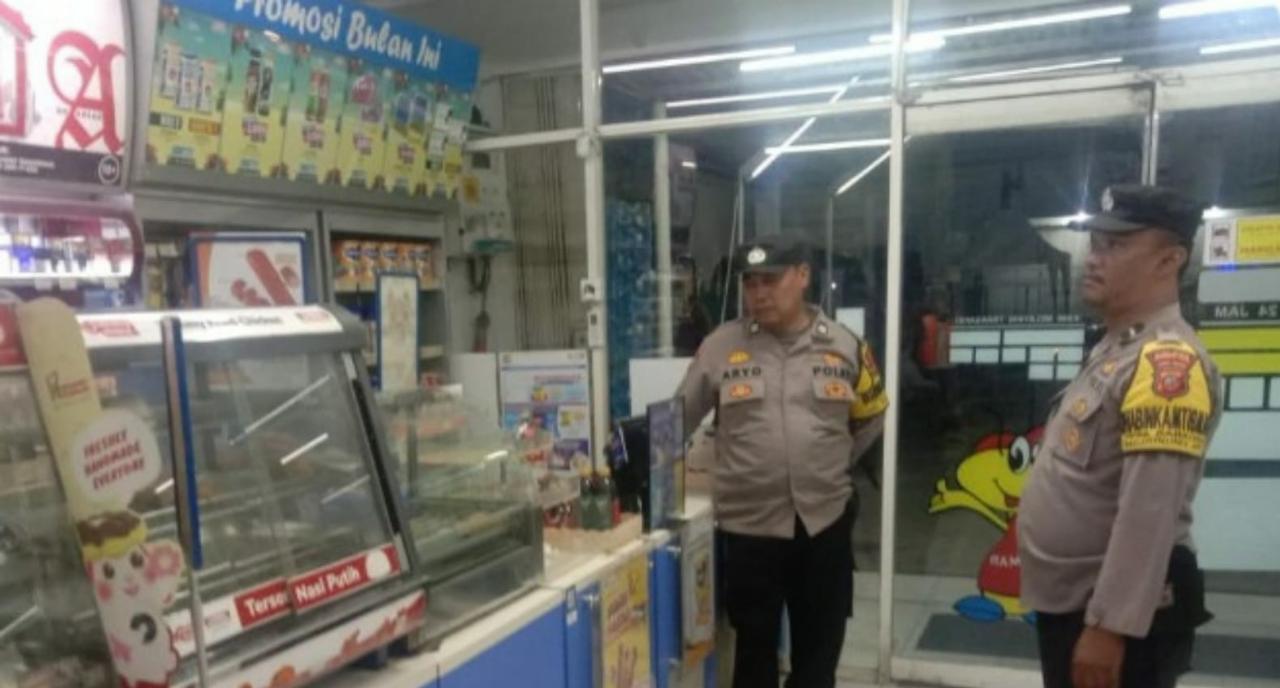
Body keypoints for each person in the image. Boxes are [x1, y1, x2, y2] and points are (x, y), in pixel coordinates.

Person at [1019, 185, 1221, 688]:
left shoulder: (1166, 363)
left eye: (1117, 245)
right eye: (1096, 243)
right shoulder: (1118, 347)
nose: (1094, 257)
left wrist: (1110, 627)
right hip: (1079, 602)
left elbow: (1149, 511)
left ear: (1169, 260)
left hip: (1113, 617)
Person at [676, 235, 888, 688]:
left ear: (803, 276)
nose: (759, 293)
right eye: (750, 282)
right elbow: (676, 421)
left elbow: (870, 419)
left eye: (770, 280)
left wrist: (826, 466)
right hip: (750, 530)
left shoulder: (845, 345)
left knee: (819, 657)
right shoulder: (720, 347)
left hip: (824, 525)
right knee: (754, 657)